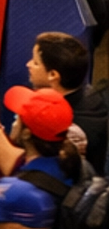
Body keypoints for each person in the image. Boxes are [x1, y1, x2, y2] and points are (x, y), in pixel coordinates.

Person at [26, 30, 108, 170]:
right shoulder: (91, 95)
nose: (28, 65)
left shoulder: (67, 129)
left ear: (53, 75)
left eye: (35, 62)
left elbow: (35, 173)